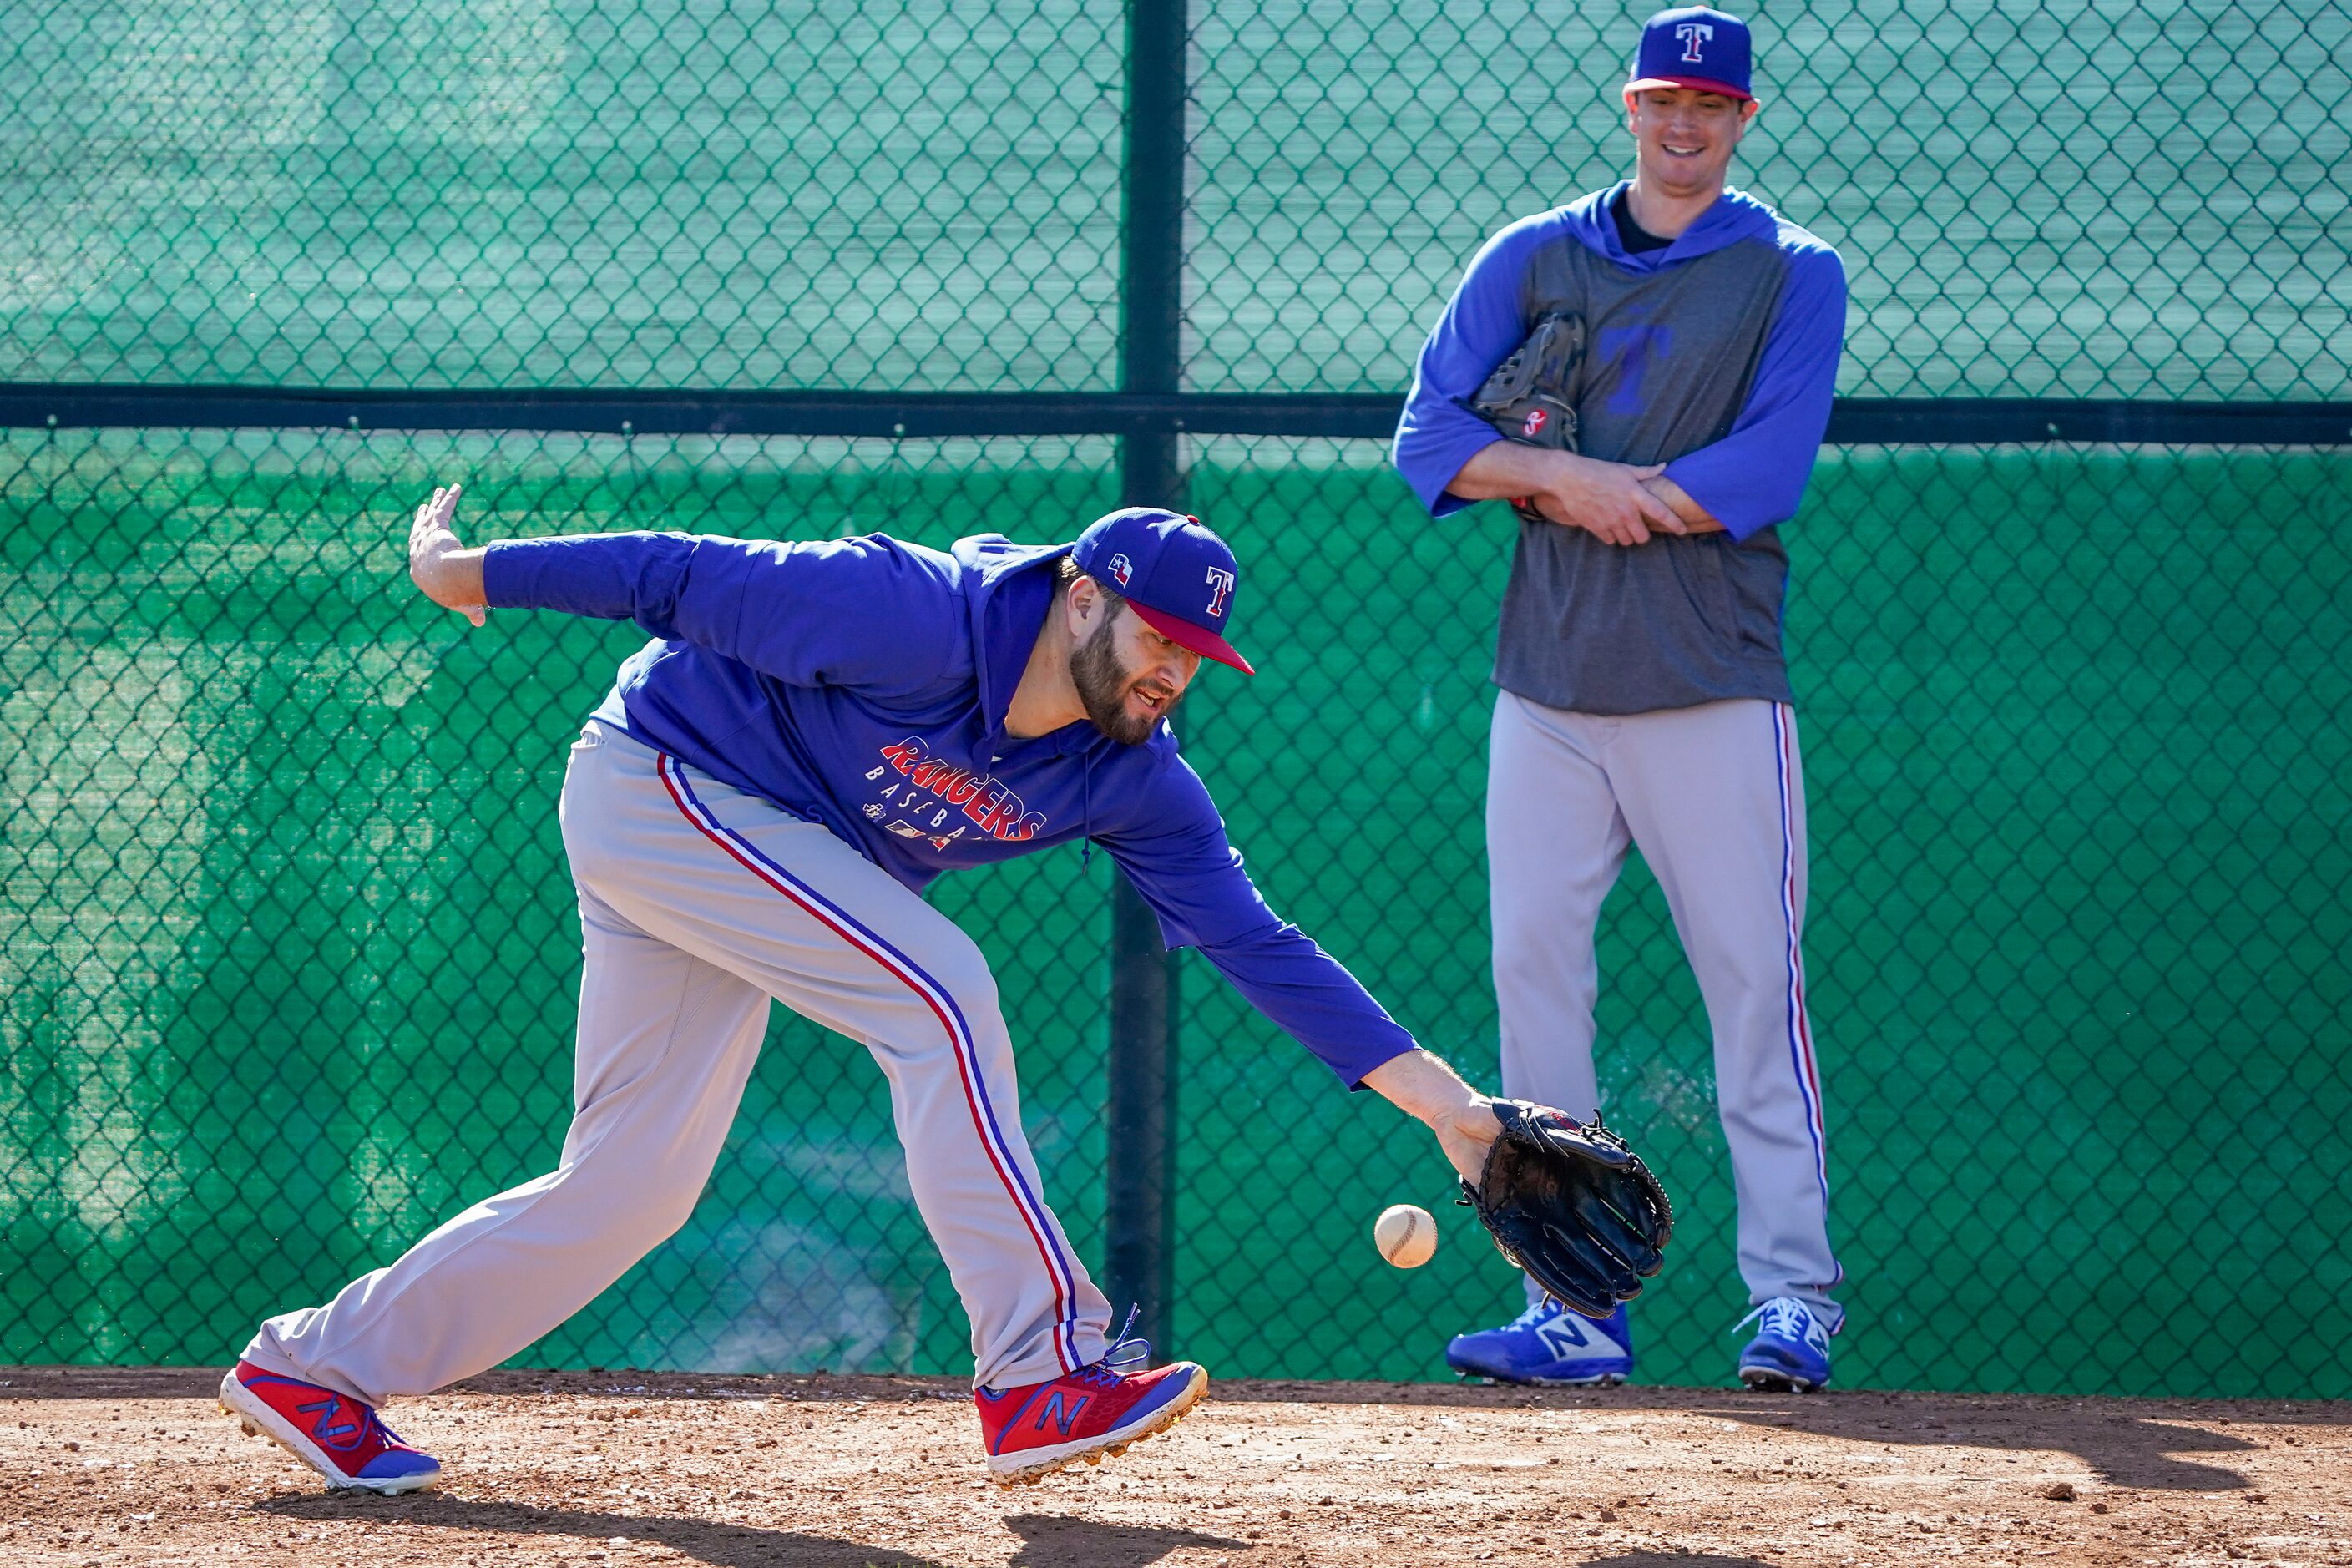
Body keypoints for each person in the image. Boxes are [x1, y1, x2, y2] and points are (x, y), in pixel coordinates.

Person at [218, 491, 1535, 1493]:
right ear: (1081, 597)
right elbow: (676, 576)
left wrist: (1453, 1112)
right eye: (1158, 636)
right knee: (943, 996)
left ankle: (315, 1367)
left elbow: (1257, 941)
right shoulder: (908, 611)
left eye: (1196, 654)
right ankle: (1040, 1369)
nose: (1173, 670)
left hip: (739, 851)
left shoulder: (1130, 771)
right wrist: (472, 572)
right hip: (664, 783)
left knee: (630, 1185)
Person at [1391, 5, 1847, 1391]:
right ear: (1630, 105)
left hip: (1711, 689)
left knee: (1753, 997)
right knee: (1534, 993)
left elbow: (1765, 474)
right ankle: (1569, 1306)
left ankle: (1793, 1299)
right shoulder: (1533, 254)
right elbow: (1424, 435)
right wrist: (1558, 476)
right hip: (1545, 690)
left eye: (1711, 106)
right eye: (1663, 99)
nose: (1685, 124)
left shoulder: (1788, 270)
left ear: (1744, 119)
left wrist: (1573, 483)